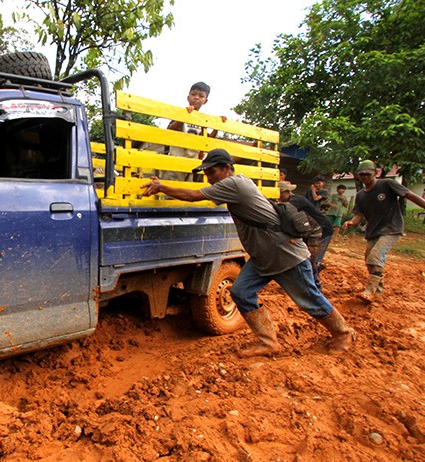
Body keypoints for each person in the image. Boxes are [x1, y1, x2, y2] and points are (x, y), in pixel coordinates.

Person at [141, 148, 354, 356]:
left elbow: (194, 195)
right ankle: (268, 342)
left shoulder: (233, 183)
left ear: (227, 168)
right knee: (241, 292)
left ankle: (343, 333)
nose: (209, 178)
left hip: (285, 254)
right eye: (206, 174)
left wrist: (161, 187)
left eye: (211, 172)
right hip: (263, 258)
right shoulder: (235, 183)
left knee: (309, 299)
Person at [343, 160, 425, 301]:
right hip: (373, 231)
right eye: (361, 174)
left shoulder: (387, 184)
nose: (365, 177)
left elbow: (411, 196)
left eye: (368, 174)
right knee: (370, 261)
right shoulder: (361, 195)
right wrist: (352, 222)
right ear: (357, 175)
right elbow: (359, 214)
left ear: (375, 172)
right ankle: (378, 293)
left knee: (375, 257)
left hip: (391, 228)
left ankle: (369, 291)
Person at [161, 82, 222, 182]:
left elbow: (206, 139)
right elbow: (169, 130)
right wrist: (185, 117)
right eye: (193, 94)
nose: (196, 97)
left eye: (201, 96)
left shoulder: (203, 120)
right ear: (188, 97)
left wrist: (217, 126)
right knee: (173, 186)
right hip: (177, 159)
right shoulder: (180, 113)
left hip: (193, 162)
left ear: (205, 101)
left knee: (187, 188)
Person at [278, 181, 333, 290]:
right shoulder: (291, 201)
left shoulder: (295, 201)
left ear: (287, 192)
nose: (279, 197)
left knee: (310, 259)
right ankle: (314, 271)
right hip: (309, 231)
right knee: (305, 257)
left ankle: (316, 286)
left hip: (320, 230)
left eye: (280, 194)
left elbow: (281, 209)